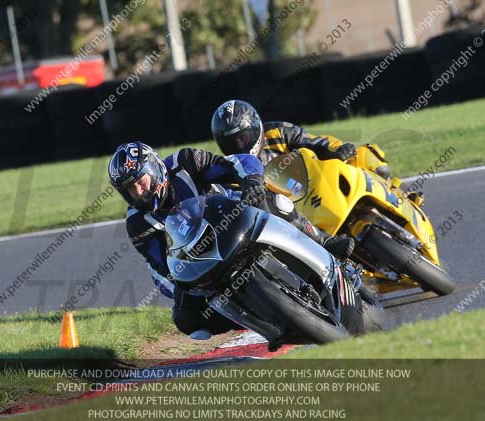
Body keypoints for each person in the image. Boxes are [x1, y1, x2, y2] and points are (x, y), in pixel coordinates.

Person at [108, 141, 356, 338]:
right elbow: (162, 264)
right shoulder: (137, 224)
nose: (138, 192)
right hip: (198, 258)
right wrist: (183, 284)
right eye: (130, 189)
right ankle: (256, 320)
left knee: (272, 200)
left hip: (233, 218)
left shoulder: (184, 162)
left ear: (154, 170)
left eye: (141, 182)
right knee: (187, 321)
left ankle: (324, 243)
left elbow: (238, 163)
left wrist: (252, 180)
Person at [211, 99, 391, 179]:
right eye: (231, 142)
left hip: (318, 185)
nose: (239, 145)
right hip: (294, 219)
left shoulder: (277, 132)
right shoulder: (232, 169)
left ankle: (394, 195)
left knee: (365, 156)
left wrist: (336, 152)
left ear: (254, 127)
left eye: (242, 137)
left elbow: (317, 143)